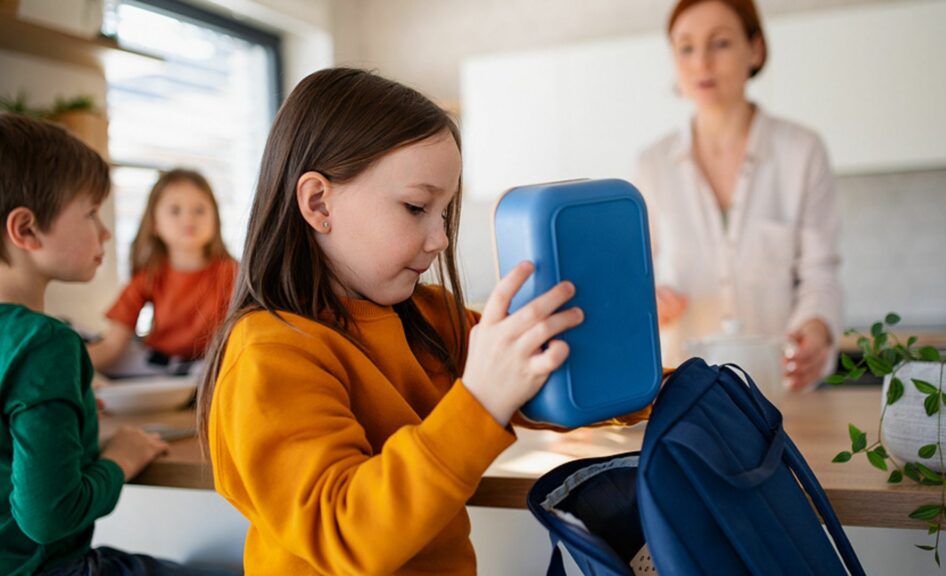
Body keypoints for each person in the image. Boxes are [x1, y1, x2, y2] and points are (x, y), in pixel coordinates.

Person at [196, 67, 653, 574]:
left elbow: (557, 375)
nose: (439, 239)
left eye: (444, 212)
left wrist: (674, 386)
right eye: (416, 207)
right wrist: (480, 401)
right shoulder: (269, 354)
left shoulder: (431, 317)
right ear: (318, 202)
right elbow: (345, 531)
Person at [0, 113, 230, 575]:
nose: (105, 231)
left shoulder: (228, 270)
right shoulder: (46, 344)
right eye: (90, 214)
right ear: (26, 230)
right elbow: (48, 517)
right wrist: (121, 458)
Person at [635, 0, 843, 389]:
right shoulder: (652, 164)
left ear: (756, 49)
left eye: (721, 43)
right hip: (682, 397)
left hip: (779, 394)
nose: (701, 62)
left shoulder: (802, 151)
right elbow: (633, 283)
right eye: (686, 47)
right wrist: (649, 304)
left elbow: (820, 271)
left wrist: (816, 328)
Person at [88, 169, 237, 378]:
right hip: (158, 359)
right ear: (155, 224)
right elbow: (114, 345)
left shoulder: (233, 273)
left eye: (200, 210)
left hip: (212, 363)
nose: (188, 218)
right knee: (79, 338)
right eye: (175, 210)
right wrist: (59, 365)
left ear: (216, 219)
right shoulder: (149, 276)